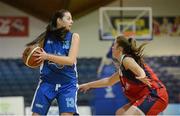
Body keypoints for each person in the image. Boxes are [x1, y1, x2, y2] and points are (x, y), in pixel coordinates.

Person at [79, 35, 168, 115]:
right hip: (144, 97)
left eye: (114, 45)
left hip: (155, 95)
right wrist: (88, 85)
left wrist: (142, 75)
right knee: (120, 113)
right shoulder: (123, 67)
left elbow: (139, 70)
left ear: (120, 49)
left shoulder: (127, 59)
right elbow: (109, 81)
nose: (112, 47)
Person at [26, 9, 80, 116]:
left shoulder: (74, 37)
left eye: (71, 19)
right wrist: (33, 59)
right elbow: (36, 55)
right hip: (47, 83)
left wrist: (47, 56)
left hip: (67, 85)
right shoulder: (45, 37)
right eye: (68, 18)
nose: (72, 21)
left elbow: (70, 61)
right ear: (59, 20)